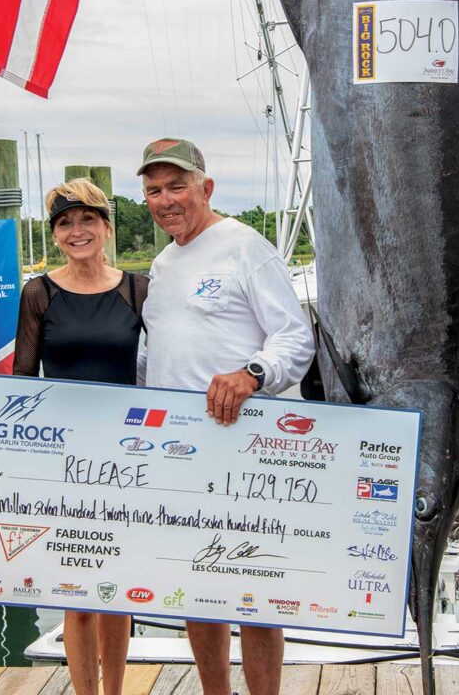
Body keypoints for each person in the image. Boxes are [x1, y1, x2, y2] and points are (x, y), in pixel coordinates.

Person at [138, 138, 315, 695]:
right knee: (196, 586)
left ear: (205, 188)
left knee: (255, 585)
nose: (166, 200)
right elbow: (152, 356)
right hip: (178, 455)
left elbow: (295, 335)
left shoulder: (245, 246)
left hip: (245, 450)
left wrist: (252, 374)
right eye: (153, 190)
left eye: (177, 186)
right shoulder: (162, 264)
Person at [13, 177, 148, 695]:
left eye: (87, 220)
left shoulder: (138, 288)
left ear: (107, 227)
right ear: (55, 235)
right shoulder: (39, 293)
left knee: (116, 592)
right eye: (65, 223)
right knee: (77, 591)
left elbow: (159, 372)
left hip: (128, 459)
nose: (77, 230)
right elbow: (23, 384)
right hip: (64, 462)